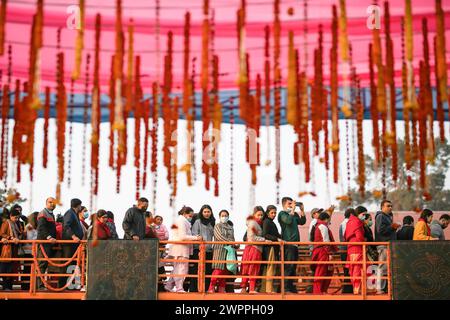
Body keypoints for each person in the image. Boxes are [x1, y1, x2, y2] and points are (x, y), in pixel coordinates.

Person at [164, 206, 202, 293]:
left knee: (177, 269)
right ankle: (179, 288)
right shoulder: (181, 221)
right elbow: (182, 237)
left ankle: (168, 286)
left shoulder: (181, 221)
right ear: (184, 214)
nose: (191, 217)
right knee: (181, 269)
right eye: (190, 215)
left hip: (180, 249)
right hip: (180, 249)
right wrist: (196, 238)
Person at [278, 197, 306, 293]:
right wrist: (293, 209)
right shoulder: (282, 214)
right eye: (289, 203)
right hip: (288, 244)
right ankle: (285, 288)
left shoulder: (294, 214)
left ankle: (291, 287)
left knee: (293, 267)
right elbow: (288, 221)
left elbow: (302, 222)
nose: (291, 205)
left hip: (295, 244)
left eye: (292, 203)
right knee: (288, 267)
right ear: (284, 204)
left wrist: (302, 210)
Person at [240, 207, 271, 294]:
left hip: (249, 248)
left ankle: (244, 289)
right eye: (258, 215)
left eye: (261, 215)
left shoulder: (253, 223)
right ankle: (251, 289)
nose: (260, 217)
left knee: (246, 269)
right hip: (254, 249)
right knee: (253, 268)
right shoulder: (254, 223)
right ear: (254, 215)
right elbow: (251, 237)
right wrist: (264, 240)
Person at [374, 200, 400, 294]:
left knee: (385, 267)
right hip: (383, 244)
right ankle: (379, 289)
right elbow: (380, 230)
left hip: (387, 244)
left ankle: (383, 288)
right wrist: (392, 227)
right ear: (382, 207)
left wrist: (393, 227)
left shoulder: (387, 217)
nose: (390, 207)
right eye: (388, 206)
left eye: (391, 206)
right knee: (382, 267)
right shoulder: (381, 216)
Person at [208, 209, 237, 293]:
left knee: (225, 270)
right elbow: (219, 237)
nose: (224, 217)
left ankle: (221, 288)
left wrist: (235, 244)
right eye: (222, 215)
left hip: (229, 252)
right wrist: (231, 242)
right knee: (218, 269)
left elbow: (233, 238)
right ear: (219, 217)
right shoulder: (217, 226)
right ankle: (211, 287)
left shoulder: (230, 227)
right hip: (219, 250)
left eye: (226, 215)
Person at [189, 205, 215, 292]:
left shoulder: (212, 222)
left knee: (208, 271)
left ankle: (206, 289)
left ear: (211, 212)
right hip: (198, 250)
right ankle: (194, 290)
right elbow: (194, 234)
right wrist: (199, 237)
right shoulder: (198, 222)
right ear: (202, 213)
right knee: (196, 271)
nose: (207, 214)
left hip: (208, 251)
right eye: (205, 212)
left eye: (208, 212)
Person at [311, 212, 337, 294]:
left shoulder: (318, 226)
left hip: (320, 251)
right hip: (323, 252)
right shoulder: (323, 227)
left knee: (323, 271)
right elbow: (326, 241)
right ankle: (319, 291)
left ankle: (321, 291)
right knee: (322, 271)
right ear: (326, 219)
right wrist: (329, 254)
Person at [61, 198, 84, 288]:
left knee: (73, 265)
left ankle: (70, 285)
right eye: (80, 205)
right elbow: (66, 226)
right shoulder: (70, 213)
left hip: (74, 244)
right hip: (69, 244)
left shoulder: (74, 214)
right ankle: (62, 284)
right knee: (67, 263)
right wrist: (73, 236)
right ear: (78, 206)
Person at [36, 197, 58, 290]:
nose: (52, 204)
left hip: (48, 243)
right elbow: (41, 228)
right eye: (50, 202)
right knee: (42, 263)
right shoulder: (43, 213)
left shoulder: (51, 214)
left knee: (44, 264)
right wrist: (49, 237)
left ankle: (40, 285)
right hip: (44, 242)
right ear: (46, 203)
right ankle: (39, 286)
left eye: (53, 202)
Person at [261, 205, 283, 294]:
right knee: (270, 268)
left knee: (270, 269)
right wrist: (277, 239)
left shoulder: (271, 222)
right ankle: (269, 290)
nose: (274, 214)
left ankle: (267, 289)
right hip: (270, 248)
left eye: (275, 213)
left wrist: (282, 238)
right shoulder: (266, 222)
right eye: (272, 213)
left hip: (273, 248)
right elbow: (265, 234)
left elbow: (277, 234)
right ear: (267, 213)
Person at [0, 208, 23, 290]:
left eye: (17, 218)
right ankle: (6, 286)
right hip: (7, 248)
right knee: (5, 268)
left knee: (11, 268)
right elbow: (2, 233)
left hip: (14, 248)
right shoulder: (6, 223)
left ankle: (8, 286)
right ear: (10, 216)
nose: (16, 219)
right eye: (15, 217)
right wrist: (11, 238)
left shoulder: (16, 224)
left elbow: (20, 234)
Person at [344, 207, 365, 295]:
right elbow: (359, 236)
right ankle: (357, 289)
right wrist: (364, 242)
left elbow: (345, 235)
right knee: (357, 267)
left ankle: (355, 288)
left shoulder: (349, 222)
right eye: (363, 214)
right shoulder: (357, 221)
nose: (364, 216)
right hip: (357, 247)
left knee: (353, 268)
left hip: (350, 247)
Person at [22, 212, 38, 290]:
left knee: (35, 269)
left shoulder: (37, 227)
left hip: (35, 251)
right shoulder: (28, 226)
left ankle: (33, 286)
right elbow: (29, 239)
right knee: (27, 269)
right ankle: (25, 287)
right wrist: (37, 240)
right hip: (28, 251)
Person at [339, 208, 353, 294]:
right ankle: (347, 290)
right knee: (348, 270)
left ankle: (347, 289)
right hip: (346, 249)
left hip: (344, 249)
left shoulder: (343, 223)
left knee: (347, 270)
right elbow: (346, 237)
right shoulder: (346, 223)